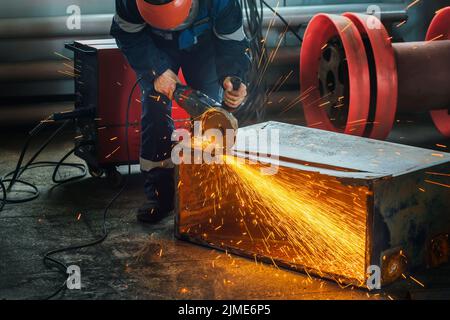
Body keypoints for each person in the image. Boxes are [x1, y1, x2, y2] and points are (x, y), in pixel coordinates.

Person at [110, 0, 250, 223]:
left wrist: (233, 76)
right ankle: (160, 195)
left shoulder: (221, 2)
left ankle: (206, 195)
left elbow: (232, 43)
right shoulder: (129, 3)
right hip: (154, 46)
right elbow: (127, 35)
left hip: (203, 44)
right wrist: (155, 70)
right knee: (155, 106)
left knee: (209, 114)